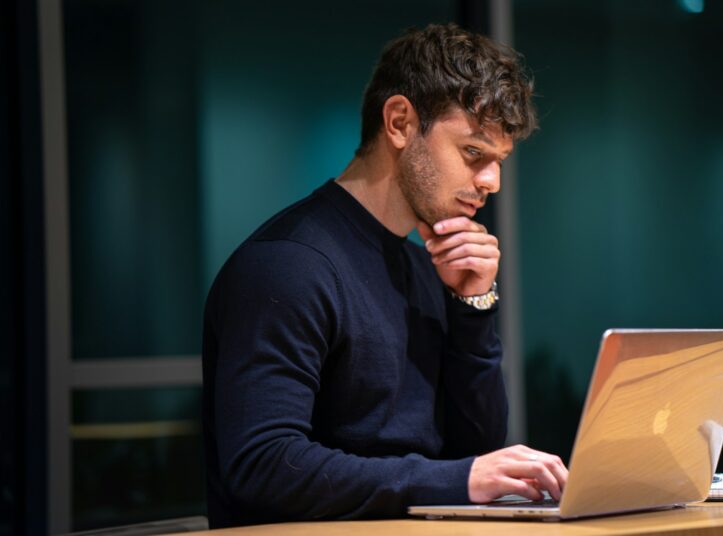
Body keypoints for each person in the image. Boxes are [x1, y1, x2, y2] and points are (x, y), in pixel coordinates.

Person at [201, 23, 568, 528]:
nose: (492, 182)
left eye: (498, 161)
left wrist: (473, 307)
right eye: (473, 153)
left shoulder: (426, 268)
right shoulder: (287, 264)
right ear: (398, 122)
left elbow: (476, 451)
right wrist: (451, 481)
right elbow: (262, 465)